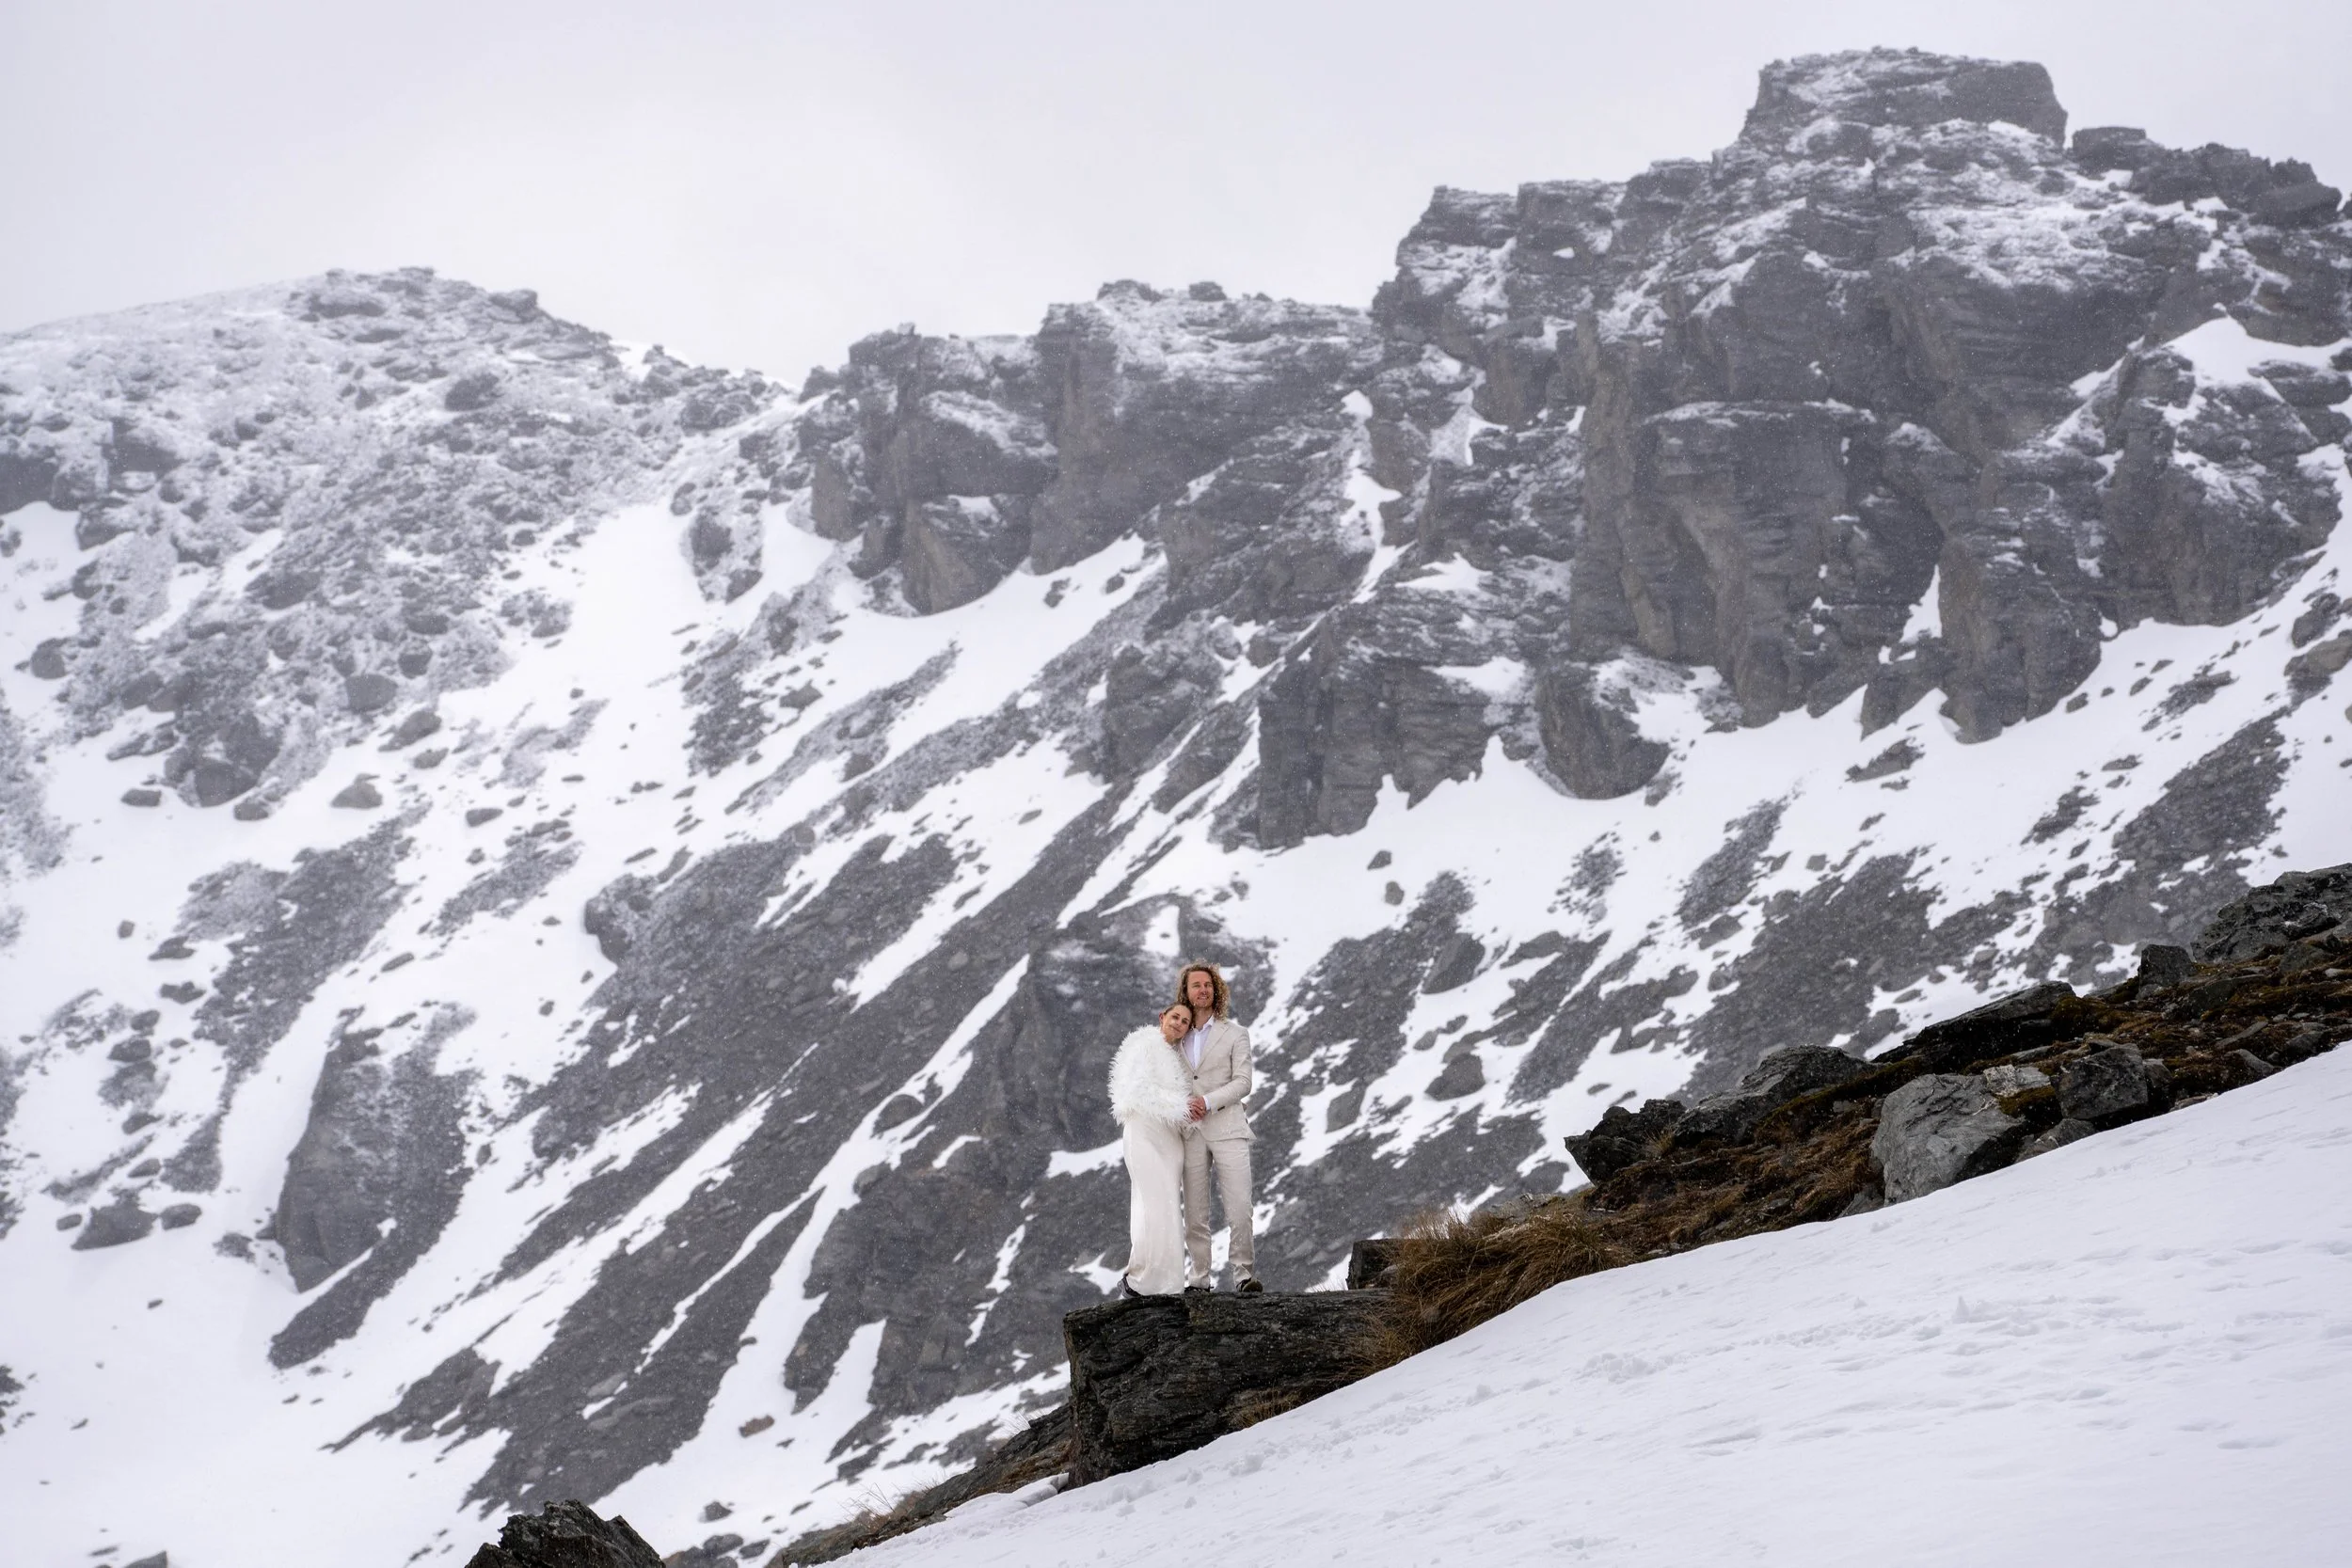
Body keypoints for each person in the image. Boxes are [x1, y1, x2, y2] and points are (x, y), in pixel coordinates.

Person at [1173, 961, 1260, 1292]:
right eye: (1196, 985)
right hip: (1190, 1133)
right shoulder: (1175, 1035)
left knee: (1239, 1206)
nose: (1203, 990)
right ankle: (1199, 1280)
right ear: (1186, 991)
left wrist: (1206, 1101)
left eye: (1208, 984)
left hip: (1228, 1128)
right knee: (1195, 1213)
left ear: (1216, 990)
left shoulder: (1236, 1034)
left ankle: (1243, 1275)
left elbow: (1243, 1082)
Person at [1108, 1000, 1196, 1297]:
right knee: (1151, 1205)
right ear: (1162, 1017)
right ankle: (1142, 1279)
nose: (1179, 1024)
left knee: (1166, 1207)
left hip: (1170, 1139)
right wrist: (1183, 1107)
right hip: (1144, 1131)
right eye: (1175, 1017)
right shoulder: (1144, 1045)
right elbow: (1137, 1089)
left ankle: (1166, 1283)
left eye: (1185, 1022)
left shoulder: (1175, 1058)